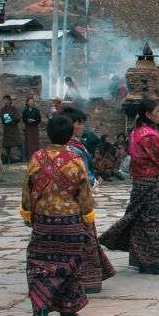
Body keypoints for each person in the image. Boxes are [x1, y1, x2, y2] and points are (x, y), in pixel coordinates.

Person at [20, 115, 95, 316]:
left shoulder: (36, 158)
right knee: (69, 265)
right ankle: (67, 310)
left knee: (40, 264)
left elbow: (28, 188)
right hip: (70, 222)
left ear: (48, 133)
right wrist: (87, 217)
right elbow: (84, 194)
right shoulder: (75, 160)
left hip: (43, 221)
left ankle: (42, 305)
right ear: (70, 135)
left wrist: (27, 213)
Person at [100, 97, 159, 275]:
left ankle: (140, 259)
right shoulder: (148, 135)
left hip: (140, 181)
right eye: (158, 111)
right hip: (150, 182)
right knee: (155, 220)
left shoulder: (136, 132)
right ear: (148, 114)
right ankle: (150, 261)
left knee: (140, 218)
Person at [58, 107, 115, 293]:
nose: (82, 126)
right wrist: (94, 182)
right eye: (78, 123)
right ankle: (86, 278)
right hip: (78, 200)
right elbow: (83, 176)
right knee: (85, 238)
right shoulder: (73, 149)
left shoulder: (73, 146)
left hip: (67, 202)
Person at [0, 95, 23, 164]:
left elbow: (18, 117)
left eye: (7, 100)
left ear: (10, 101)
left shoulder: (13, 108)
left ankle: (23, 158)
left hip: (13, 128)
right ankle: (8, 160)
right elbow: (1, 116)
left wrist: (11, 119)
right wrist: (4, 119)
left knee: (19, 143)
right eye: (4, 100)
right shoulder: (3, 109)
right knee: (7, 145)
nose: (5, 101)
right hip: (6, 129)